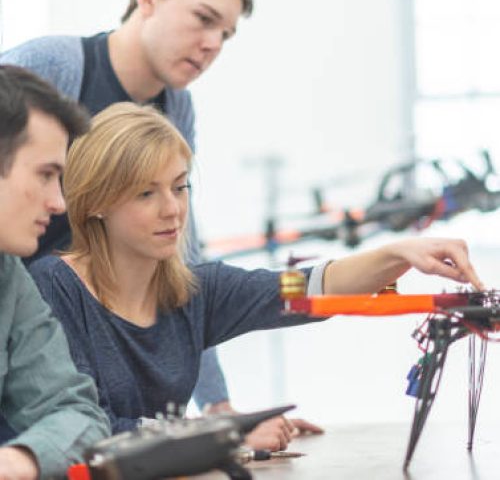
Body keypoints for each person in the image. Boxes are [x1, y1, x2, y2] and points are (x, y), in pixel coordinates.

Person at [29, 102, 484, 452]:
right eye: (146, 193)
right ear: (98, 202)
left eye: (180, 186)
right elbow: (89, 431)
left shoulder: (195, 291)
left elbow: (302, 288)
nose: (172, 209)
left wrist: (397, 254)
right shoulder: (53, 290)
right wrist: (227, 435)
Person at [0, 0, 253, 416]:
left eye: (226, 33)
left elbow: (179, 261)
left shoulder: (175, 109)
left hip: (75, 364)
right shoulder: (53, 67)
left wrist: (218, 407)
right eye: (203, 18)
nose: (213, 44)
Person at [0, 65, 110, 478]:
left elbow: (75, 411)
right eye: (46, 175)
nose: (58, 203)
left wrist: (20, 461)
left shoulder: (9, 278)